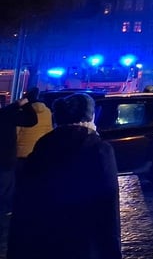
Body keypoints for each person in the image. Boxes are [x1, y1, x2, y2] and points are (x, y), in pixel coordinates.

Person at [7, 92, 121, 259]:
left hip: (41, 241)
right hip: (82, 243)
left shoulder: (44, 145)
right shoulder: (98, 149)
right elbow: (108, 207)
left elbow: (24, 201)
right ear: (90, 117)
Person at [0, 92, 36, 216]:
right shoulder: (6, 116)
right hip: (5, 160)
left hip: (6, 160)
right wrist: (24, 104)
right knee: (4, 192)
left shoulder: (5, 115)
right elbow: (31, 120)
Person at [15, 87, 52, 176]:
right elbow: (49, 132)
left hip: (20, 153)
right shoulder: (47, 112)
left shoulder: (22, 112)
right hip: (38, 153)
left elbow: (15, 133)